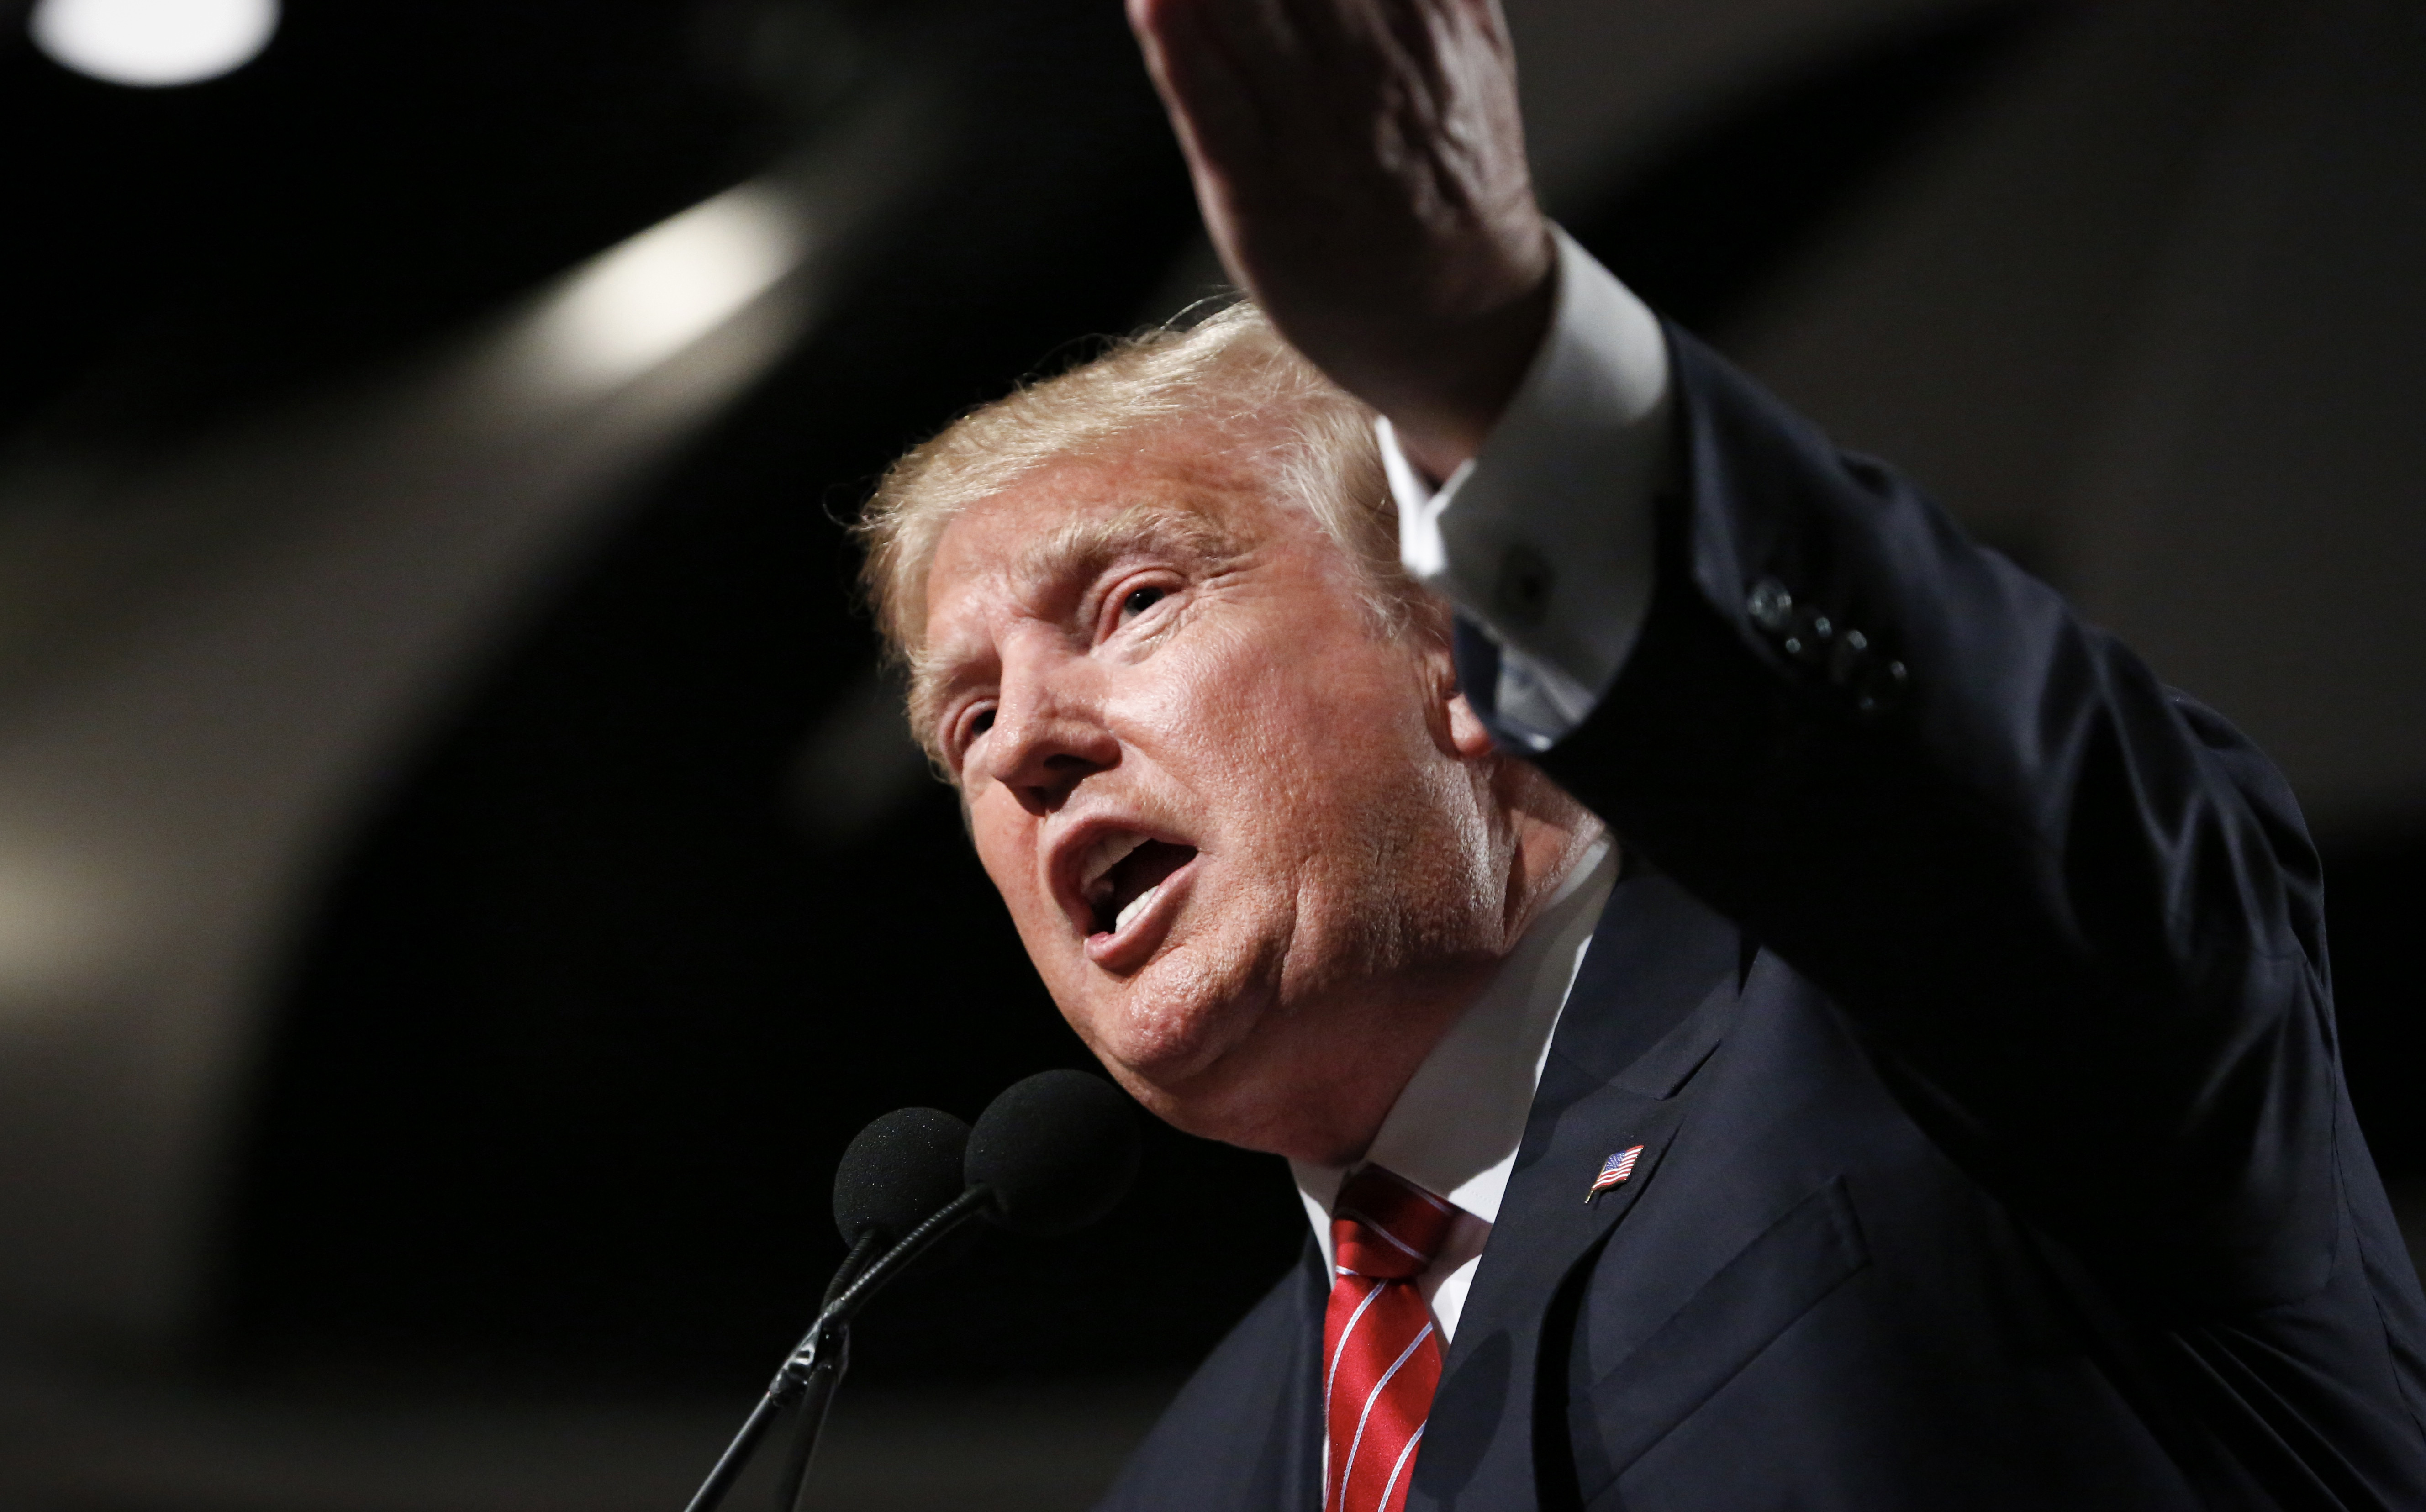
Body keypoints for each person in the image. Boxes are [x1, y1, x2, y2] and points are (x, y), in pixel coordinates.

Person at [854, 0, 2426, 1507]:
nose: (1029, 751)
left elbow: (1975, 780)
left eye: (1133, 603)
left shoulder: (1928, 1034)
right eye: (968, 718)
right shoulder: (1195, 1480)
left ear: (1457, 646)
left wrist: (1493, 351)